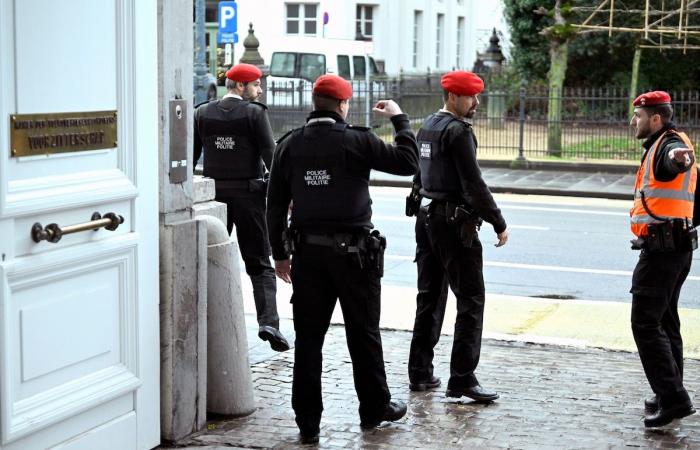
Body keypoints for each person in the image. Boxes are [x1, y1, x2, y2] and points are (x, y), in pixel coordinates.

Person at [266, 74, 418, 444]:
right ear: (343, 106)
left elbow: (273, 206)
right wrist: (399, 119)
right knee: (362, 333)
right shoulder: (357, 140)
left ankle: (308, 423)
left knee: (309, 340)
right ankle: (374, 409)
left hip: (308, 257)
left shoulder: (289, 146)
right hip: (354, 258)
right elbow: (408, 161)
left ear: (315, 103)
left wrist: (281, 256)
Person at [407, 71, 508, 402]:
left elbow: (419, 174)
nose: (476, 103)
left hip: (427, 219)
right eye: (470, 97)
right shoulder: (457, 131)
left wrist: (416, 197)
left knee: (430, 296)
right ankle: (462, 378)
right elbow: (473, 183)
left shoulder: (428, 126)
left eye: (477, 97)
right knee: (471, 300)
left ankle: (420, 372)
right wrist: (497, 221)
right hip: (453, 224)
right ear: (453, 97)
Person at [193, 63, 289, 352]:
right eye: (256, 84)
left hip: (214, 196)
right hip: (249, 197)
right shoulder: (254, 113)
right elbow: (271, 155)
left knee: (209, 260)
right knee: (259, 262)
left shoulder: (202, 112)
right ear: (240, 86)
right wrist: (283, 193)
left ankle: (204, 322)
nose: (259, 90)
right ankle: (269, 322)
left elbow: (190, 156)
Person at [628, 90, 697, 428]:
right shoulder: (674, 140)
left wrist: (679, 159)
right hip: (677, 246)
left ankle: (673, 399)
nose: (633, 122)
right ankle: (668, 391)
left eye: (638, 116)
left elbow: (675, 161)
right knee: (666, 322)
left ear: (655, 118)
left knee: (644, 322)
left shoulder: (669, 146)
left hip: (662, 251)